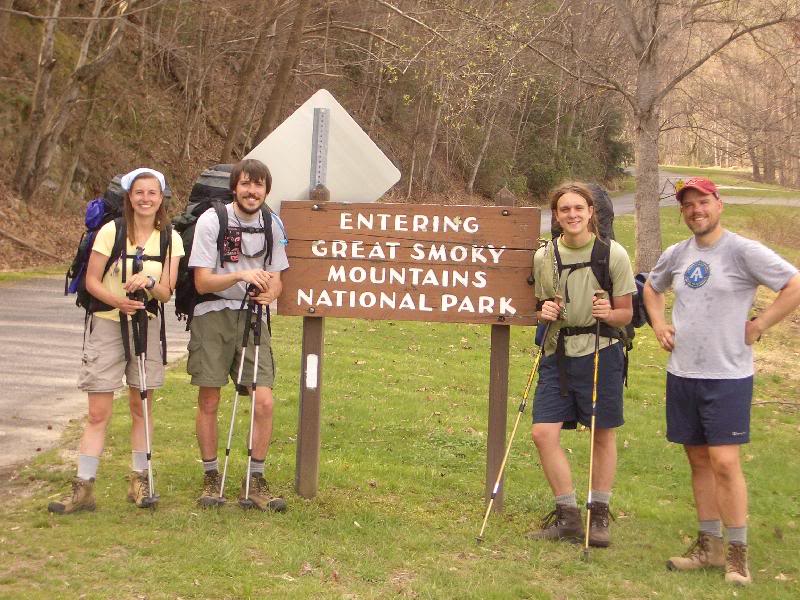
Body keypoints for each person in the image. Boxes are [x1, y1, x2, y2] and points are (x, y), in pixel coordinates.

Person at [643, 177, 800, 585]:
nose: (696, 210)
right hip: (683, 373)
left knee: (725, 463)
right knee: (698, 460)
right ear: (682, 212)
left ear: (719, 204)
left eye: (703, 202)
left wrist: (761, 323)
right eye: (688, 205)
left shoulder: (742, 250)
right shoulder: (677, 254)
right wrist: (659, 324)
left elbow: (793, 283)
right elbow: (652, 289)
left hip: (727, 376)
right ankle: (709, 545)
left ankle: (737, 554)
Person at [48, 168, 184, 514]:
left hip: (146, 325)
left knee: (142, 406)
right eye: (139, 193)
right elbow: (91, 281)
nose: (145, 199)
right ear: (129, 197)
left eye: (152, 193)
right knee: (98, 412)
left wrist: (149, 282)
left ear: (161, 198)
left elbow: (167, 292)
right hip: (107, 323)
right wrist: (117, 301)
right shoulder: (111, 231)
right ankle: (83, 489)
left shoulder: (171, 238)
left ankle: (139, 482)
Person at [528, 182, 635, 547]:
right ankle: (569, 516)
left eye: (579, 208)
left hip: (601, 350)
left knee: (602, 432)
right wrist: (544, 311)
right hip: (557, 353)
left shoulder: (613, 254)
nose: (572, 215)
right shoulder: (545, 257)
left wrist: (611, 312)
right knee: (543, 433)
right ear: (556, 216)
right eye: (564, 209)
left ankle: (599, 515)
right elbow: (541, 304)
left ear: (591, 212)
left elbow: (626, 314)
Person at [187, 158, 289, 512]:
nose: (252, 191)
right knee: (210, 399)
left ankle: (255, 479)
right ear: (235, 187)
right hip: (212, 314)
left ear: (266, 190)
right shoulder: (212, 220)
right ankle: (211, 475)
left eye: (258, 185)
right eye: (246, 184)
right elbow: (201, 281)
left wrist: (270, 293)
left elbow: (277, 277)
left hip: (253, 317)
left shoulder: (271, 223)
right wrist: (241, 276)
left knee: (264, 399)